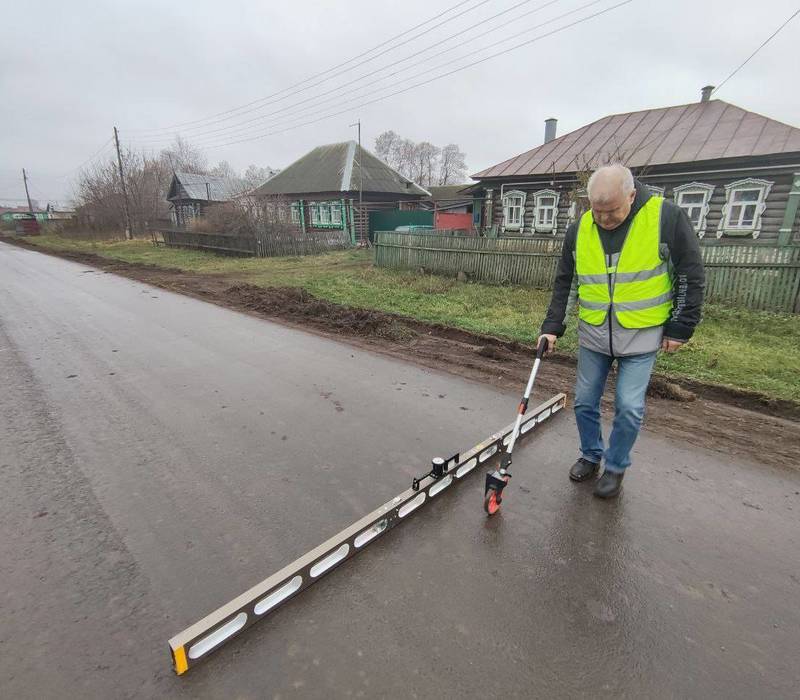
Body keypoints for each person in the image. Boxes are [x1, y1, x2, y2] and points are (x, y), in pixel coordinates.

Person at [539, 164, 704, 498]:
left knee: (628, 407)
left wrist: (681, 326)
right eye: (597, 211)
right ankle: (590, 455)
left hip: (642, 333)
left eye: (612, 211)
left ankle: (615, 467)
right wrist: (552, 326)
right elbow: (565, 282)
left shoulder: (665, 217)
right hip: (595, 332)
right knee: (585, 402)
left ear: (632, 195)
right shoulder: (579, 229)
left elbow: (690, 273)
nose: (603, 219)